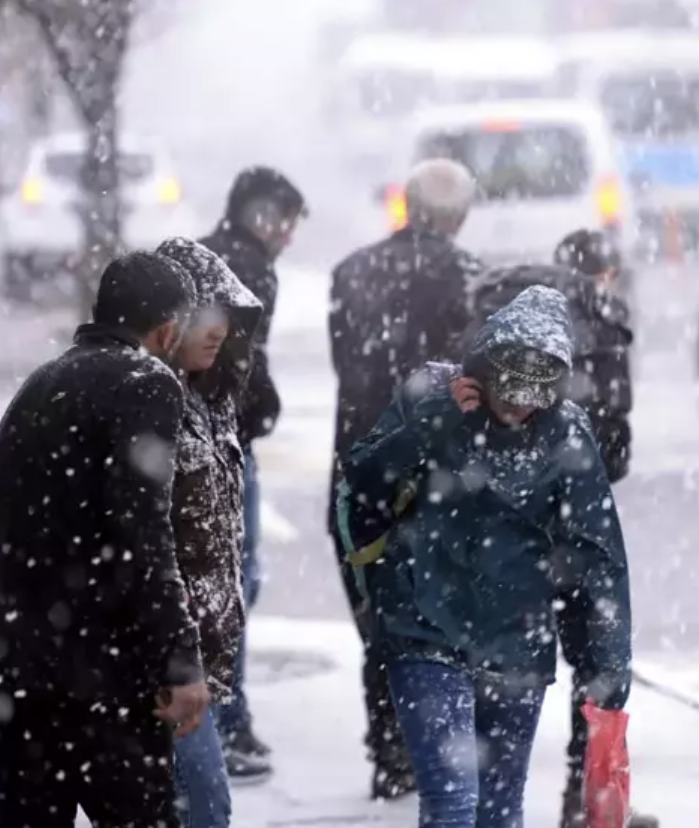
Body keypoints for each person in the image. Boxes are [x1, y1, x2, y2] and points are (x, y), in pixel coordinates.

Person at [337, 285, 633, 828]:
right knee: (452, 807)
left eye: (534, 395)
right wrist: (431, 420)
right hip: (426, 631)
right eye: (510, 390)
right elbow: (364, 482)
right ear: (486, 364)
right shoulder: (432, 392)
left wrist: (609, 670)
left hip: (517, 643)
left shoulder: (566, 432)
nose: (520, 405)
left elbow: (599, 557)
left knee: (499, 813)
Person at [0, 251, 207, 827]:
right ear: (168, 328)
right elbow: (144, 537)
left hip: (10, 669)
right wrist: (180, 662)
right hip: (95, 680)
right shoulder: (147, 382)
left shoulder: (40, 383)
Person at [467, 229, 647, 828]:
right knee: (591, 654)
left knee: (501, 663)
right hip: (573, 518)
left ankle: (470, 788)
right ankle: (582, 792)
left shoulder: (502, 309)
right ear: (603, 274)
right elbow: (617, 422)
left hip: (502, 524)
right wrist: (585, 473)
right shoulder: (601, 315)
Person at [327, 157, 482, 799]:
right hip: (436, 469)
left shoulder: (351, 272)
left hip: (359, 465)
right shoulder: (469, 280)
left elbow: (348, 364)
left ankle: (389, 749)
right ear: (458, 216)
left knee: (375, 613)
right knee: (438, 621)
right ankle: (431, 749)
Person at [196, 166, 307, 781]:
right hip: (226, 443)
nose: (288, 236)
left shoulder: (206, 254)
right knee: (234, 584)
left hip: (200, 438)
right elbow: (245, 363)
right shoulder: (249, 266)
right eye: (285, 221)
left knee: (216, 582)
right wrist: (264, 411)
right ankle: (224, 724)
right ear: (262, 214)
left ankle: (221, 720)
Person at [156, 237, 266, 823]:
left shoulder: (212, 401)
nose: (218, 329)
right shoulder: (149, 405)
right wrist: (173, 660)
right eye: (203, 313)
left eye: (226, 315)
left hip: (199, 667)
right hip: (165, 665)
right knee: (205, 808)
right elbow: (145, 545)